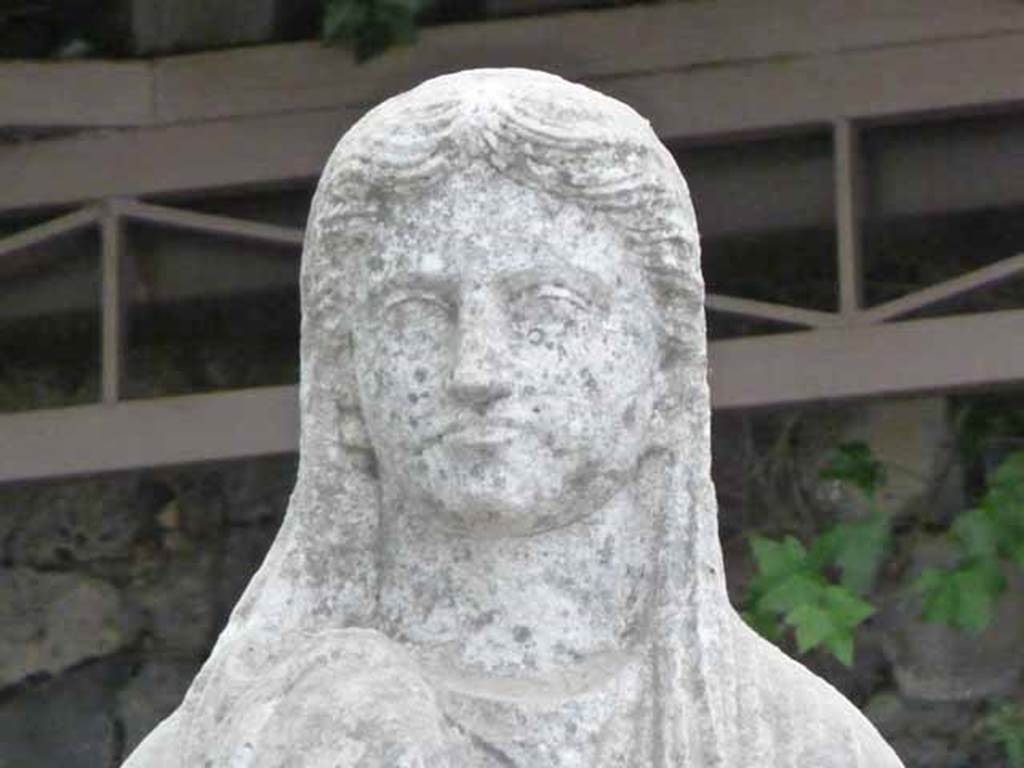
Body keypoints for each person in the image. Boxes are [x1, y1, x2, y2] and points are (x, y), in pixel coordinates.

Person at [124, 69, 903, 767]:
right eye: (417, 313)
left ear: (667, 368)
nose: (478, 371)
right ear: (343, 377)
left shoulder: (797, 747)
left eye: (546, 308)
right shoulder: (232, 745)